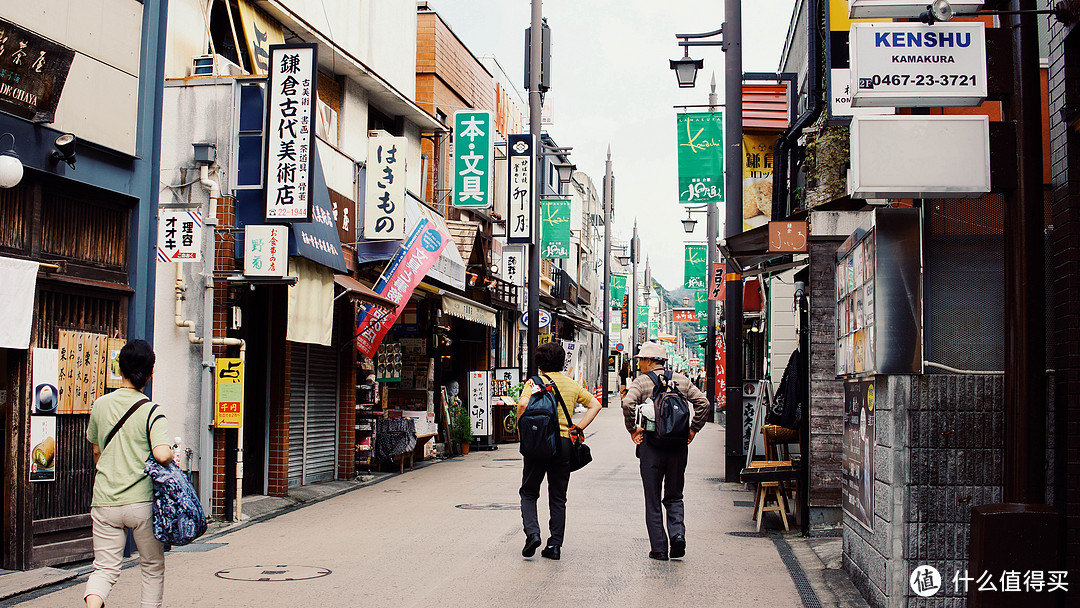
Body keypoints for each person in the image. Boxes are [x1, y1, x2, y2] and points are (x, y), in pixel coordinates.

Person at [84, 340, 174, 608]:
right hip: (141, 502)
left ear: (119, 368)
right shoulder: (152, 411)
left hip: (105, 500)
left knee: (104, 569)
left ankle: (93, 604)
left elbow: (97, 451)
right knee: (151, 566)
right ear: (151, 373)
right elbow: (161, 454)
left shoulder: (100, 405)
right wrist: (169, 452)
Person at [621, 342, 710, 561]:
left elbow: (627, 404)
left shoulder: (641, 382)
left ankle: (659, 549)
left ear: (649, 361)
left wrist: (633, 430)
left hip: (651, 445)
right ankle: (677, 534)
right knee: (674, 495)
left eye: (641, 359)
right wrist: (692, 430)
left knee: (652, 499)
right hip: (678, 446)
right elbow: (703, 403)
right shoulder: (681, 380)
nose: (639, 364)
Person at [517, 341, 602, 560]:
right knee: (558, 497)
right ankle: (554, 546)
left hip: (538, 444)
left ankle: (532, 533)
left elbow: (522, 405)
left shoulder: (534, 382)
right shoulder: (572, 385)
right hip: (564, 443)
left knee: (529, 491)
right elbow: (595, 404)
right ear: (562, 362)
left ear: (539, 363)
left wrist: (522, 432)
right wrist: (579, 427)